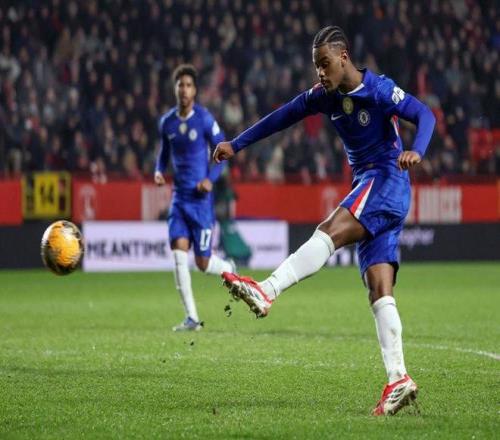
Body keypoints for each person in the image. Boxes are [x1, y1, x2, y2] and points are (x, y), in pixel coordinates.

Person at [213, 26, 435, 415]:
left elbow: (424, 114)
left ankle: (267, 289)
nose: (320, 72)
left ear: (343, 56)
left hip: (385, 178)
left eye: (325, 63)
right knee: (379, 290)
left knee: (328, 231)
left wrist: (417, 150)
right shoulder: (323, 96)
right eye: (316, 65)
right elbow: (281, 117)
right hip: (376, 188)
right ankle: (398, 378)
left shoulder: (379, 89)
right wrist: (237, 144)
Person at [155, 64, 235, 332]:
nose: (184, 89)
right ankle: (191, 318)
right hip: (179, 200)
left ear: (195, 90)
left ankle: (228, 266)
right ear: (175, 88)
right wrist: (158, 171)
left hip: (200, 202)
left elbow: (223, 153)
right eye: (180, 85)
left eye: (188, 85)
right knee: (178, 255)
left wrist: (210, 179)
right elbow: (164, 154)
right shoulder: (167, 122)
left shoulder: (204, 119)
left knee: (202, 263)